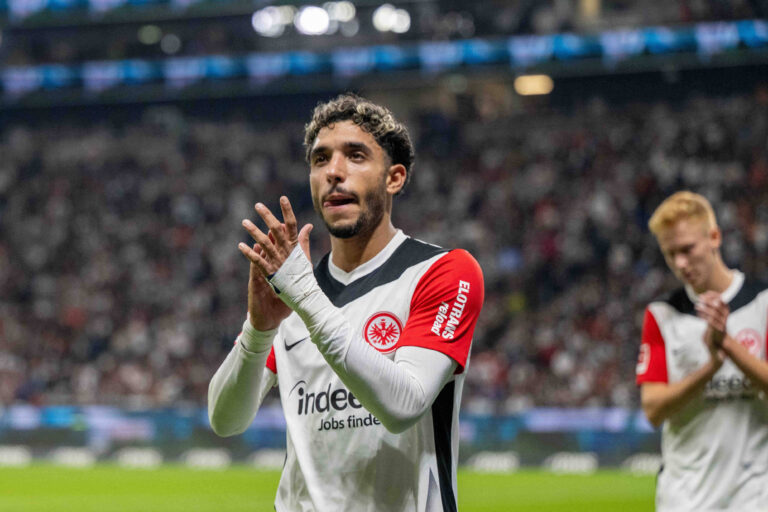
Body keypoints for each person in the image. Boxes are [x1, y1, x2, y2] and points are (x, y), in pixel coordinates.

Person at [208, 94, 484, 512]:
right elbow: (225, 420)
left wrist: (305, 299)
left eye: (355, 156)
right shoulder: (294, 292)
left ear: (394, 178)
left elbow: (403, 404)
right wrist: (259, 329)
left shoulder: (441, 272)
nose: (334, 172)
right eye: (320, 160)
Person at [636, 191, 768, 511]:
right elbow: (653, 409)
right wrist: (710, 368)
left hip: (753, 492)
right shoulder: (662, 314)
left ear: (714, 237)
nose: (680, 264)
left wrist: (727, 345)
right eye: (670, 254)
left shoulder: (763, 302)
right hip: (685, 496)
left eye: (687, 249)